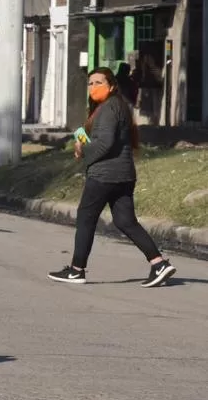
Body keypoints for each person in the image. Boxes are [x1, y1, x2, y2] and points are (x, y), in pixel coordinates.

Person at [48, 66, 177, 287]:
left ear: (111, 85)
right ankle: (159, 264)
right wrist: (85, 141)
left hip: (104, 175)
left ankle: (77, 270)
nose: (93, 87)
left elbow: (105, 143)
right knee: (125, 221)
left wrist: (82, 150)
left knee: (86, 218)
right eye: (90, 83)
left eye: (99, 83)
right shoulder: (115, 107)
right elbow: (108, 140)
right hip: (123, 174)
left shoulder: (109, 108)